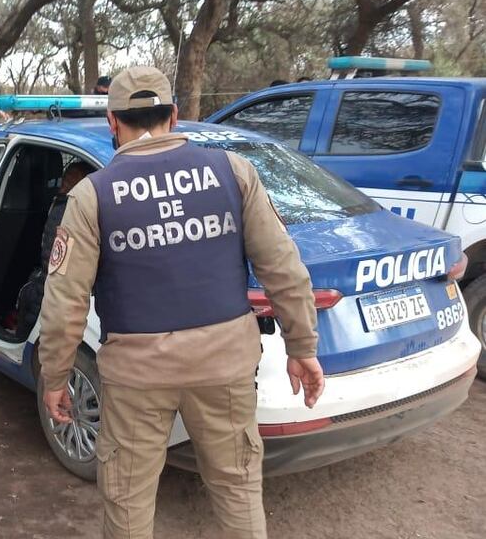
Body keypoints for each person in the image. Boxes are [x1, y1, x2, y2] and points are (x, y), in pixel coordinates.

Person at [38, 66, 325, 539]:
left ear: (113, 122)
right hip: (225, 366)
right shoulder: (234, 172)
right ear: (175, 115)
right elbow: (284, 269)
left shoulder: (93, 194)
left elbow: (64, 300)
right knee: (237, 490)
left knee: (127, 500)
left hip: (136, 378)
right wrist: (303, 347)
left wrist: (55, 377)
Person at [15, 160, 94, 334]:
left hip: (51, 292)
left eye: (71, 178)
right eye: (66, 176)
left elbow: (52, 266)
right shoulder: (69, 205)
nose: (64, 181)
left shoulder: (64, 211)